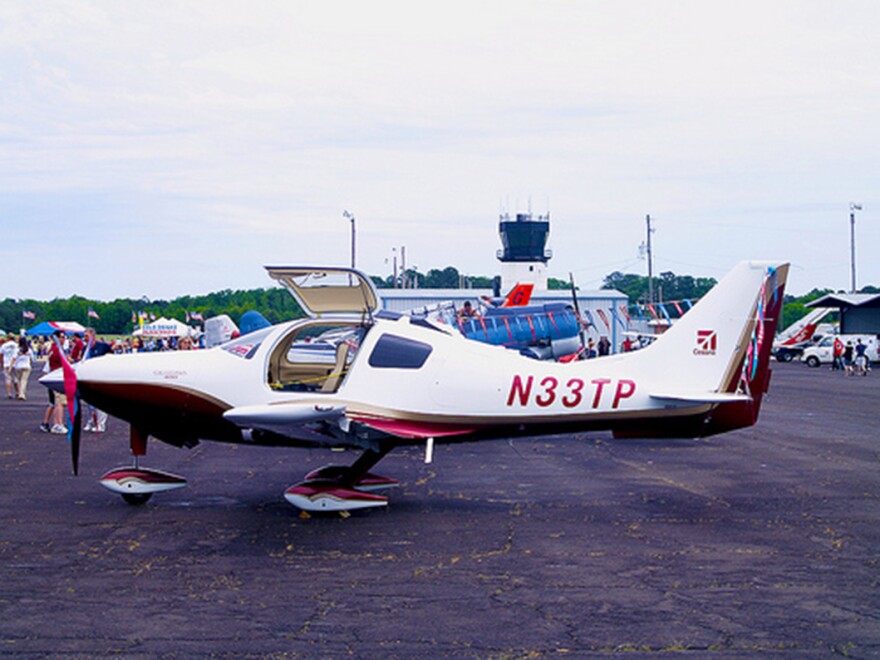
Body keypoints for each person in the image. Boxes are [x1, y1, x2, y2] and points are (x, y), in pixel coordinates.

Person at [81, 327, 112, 432]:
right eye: (84, 336)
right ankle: (91, 421)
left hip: (100, 377)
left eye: (86, 336)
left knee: (100, 402)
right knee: (90, 403)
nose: (84, 338)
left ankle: (101, 424)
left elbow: (111, 355)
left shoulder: (102, 346)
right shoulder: (85, 349)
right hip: (88, 377)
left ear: (92, 336)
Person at [47, 330, 68, 434]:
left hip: (54, 376)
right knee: (60, 402)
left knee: (56, 402)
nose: (64, 339)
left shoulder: (52, 349)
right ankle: (58, 423)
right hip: (58, 377)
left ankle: (57, 423)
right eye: (62, 337)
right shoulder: (58, 350)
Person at [1, 334, 20, 399]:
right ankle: (17, 392)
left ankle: (9, 393)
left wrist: (1, 363)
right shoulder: (16, 345)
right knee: (16, 379)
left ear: (8, 338)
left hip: (6, 363)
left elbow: (1, 354)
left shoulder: (4, 345)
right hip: (15, 364)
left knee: (8, 379)